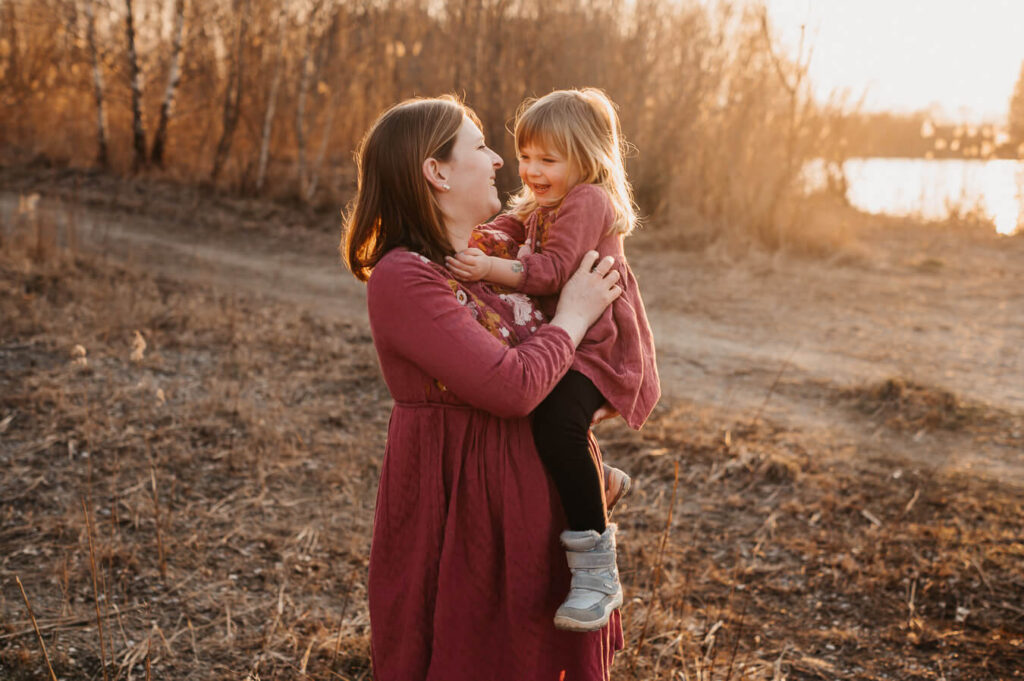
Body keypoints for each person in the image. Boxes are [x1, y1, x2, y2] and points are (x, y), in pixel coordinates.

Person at [341, 95, 625, 680]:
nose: (500, 160)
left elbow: (559, 377)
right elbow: (514, 387)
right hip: (462, 516)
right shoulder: (405, 275)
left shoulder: (491, 252)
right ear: (435, 171)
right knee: (474, 657)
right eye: (480, 146)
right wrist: (573, 315)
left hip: (529, 518)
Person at [445, 88, 660, 632]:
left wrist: (486, 270)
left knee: (557, 422)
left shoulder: (587, 200)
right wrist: (482, 237)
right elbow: (512, 227)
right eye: (526, 157)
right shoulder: (545, 202)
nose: (532, 170)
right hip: (570, 335)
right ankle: (597, 477)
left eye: (548, 159)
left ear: (585, 159)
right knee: (538, 419)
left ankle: (596, 573)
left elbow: (555, 270)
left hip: (599, 342)